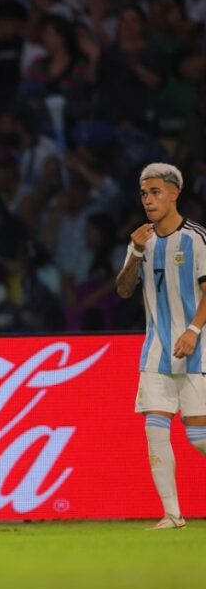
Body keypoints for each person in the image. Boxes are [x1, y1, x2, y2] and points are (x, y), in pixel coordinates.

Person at [115, 162, 206, 530]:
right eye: (143, 194)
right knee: (155, 427)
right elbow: (123, 290)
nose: (148, 200)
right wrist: (135, 253)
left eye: (155, 192)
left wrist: (194, 330)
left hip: (197, 350)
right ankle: (172, 513)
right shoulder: (141, 240)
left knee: (199, 436)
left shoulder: (197, 238)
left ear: (174, 194)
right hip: (155, 351)